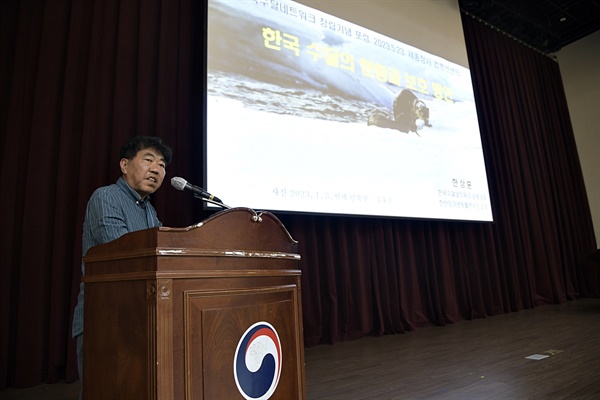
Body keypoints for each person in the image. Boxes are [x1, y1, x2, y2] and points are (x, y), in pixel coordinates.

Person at [71, 136, 172, 397]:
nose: (156, 169)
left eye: (161, 165)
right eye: (148, 160)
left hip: (139, 319)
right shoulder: (106, 197)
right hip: (105, 320)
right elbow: (123, 255)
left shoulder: (150, 211)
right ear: (124, 165)